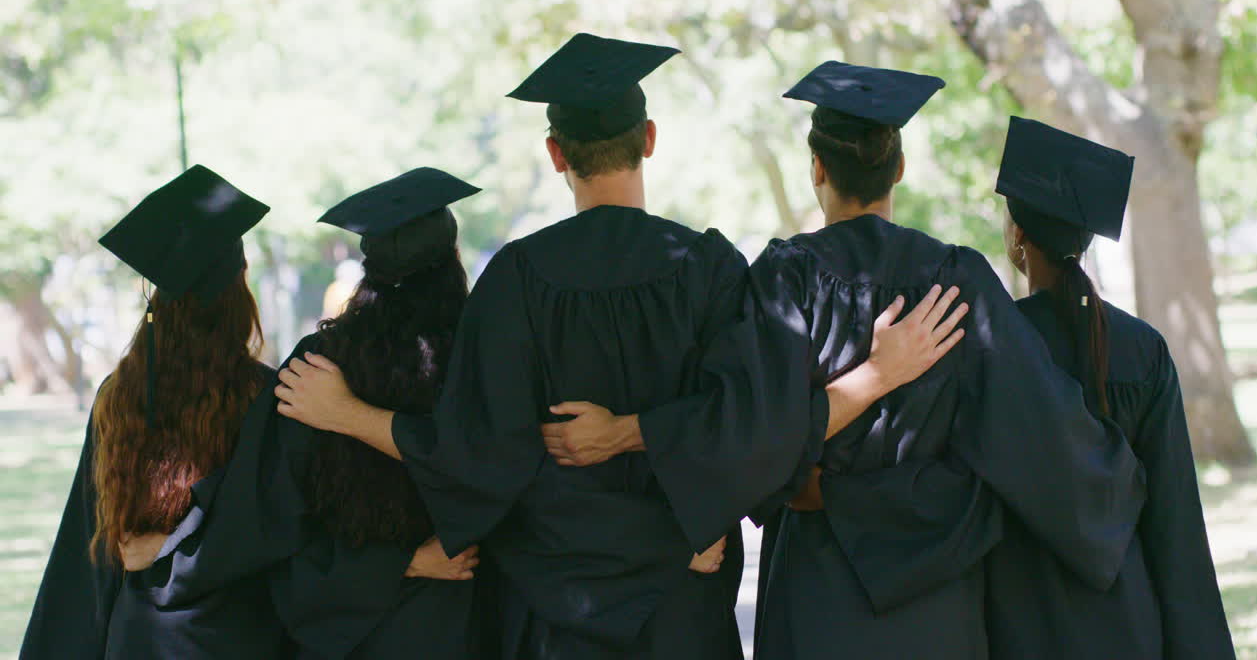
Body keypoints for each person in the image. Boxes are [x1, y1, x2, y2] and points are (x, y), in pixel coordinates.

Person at [275, 34, 964, 660]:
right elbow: (747, 432)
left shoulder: (514, 278)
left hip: (553, 614)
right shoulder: (712, 268)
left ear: (555, 155)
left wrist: (347, 416)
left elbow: (479, 455)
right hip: (682, 608)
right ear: (651, 138)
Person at [545, 62, 1149, 660]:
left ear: (816, 169)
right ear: (900, 169)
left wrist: (626, 434)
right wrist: (1122, 477)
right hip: (935, 599)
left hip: (815, 592)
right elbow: (1039, 428)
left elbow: (745, 431)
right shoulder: (958, 279)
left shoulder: (784, 279)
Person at [133, 168, 493, 659]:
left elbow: (265, 514)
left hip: (350, 631)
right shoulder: (488, 359)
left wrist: (174, 558)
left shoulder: (318, 365)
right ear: (453, 259)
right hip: (466, 619)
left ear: (370, 270)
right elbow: (499, 473)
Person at [986, 117, 1234, 659]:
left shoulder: (992, 347)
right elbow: (1175, 527)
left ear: (1018, 235)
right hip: (1128, 625)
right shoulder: (1142, 350)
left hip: (1018, 626)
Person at [20, 165, 289, 659]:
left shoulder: (117, 396)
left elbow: (91, 547)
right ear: (236, 291)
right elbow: (275, 526)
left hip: (139, 638)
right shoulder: (263, 395)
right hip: (237, 637)